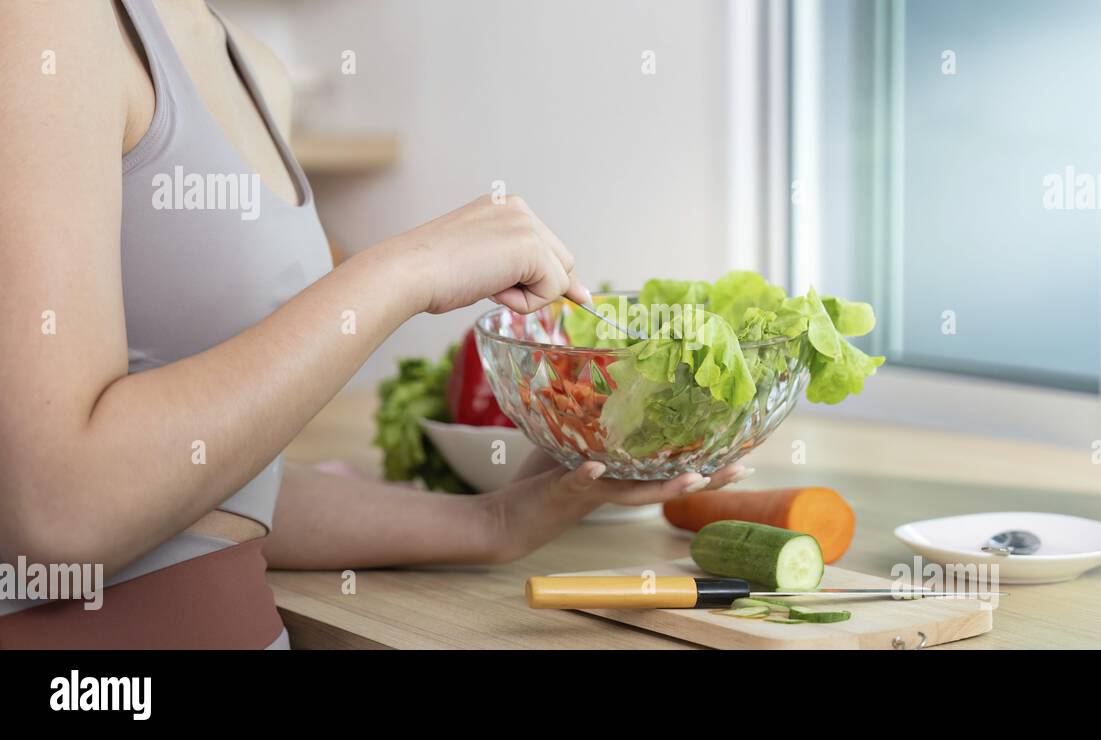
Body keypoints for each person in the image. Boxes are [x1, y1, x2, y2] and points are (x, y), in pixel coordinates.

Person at [0, 0, 748, 649]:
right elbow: (61, 511)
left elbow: (217, 488)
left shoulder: (255, 70)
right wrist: (404, 270)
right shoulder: (47, 21)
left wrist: (497, 523)